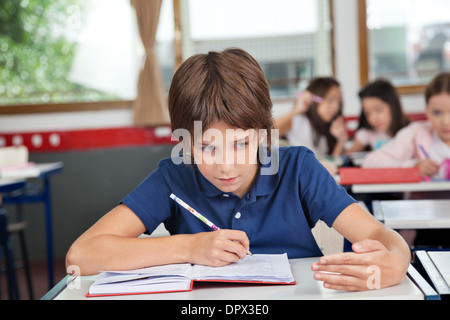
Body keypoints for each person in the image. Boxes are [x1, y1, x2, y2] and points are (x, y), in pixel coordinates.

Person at [66, 48, 410, 291]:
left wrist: (396, 261)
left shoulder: (298, 168)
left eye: (242, 144)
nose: (225, 165)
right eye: (206, 147)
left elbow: (381, 237)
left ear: (264, 133)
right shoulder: (174, 176)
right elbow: (81, 255)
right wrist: (190, 247)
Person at [362, 73, 450, 180]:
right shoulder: (415, 133)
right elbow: (369, 162)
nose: (446, 122)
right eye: (437, 112)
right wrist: (413, 166)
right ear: (427, 111)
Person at [275, 77, 348, 158]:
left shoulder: (325, 131)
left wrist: (341, 141)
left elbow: (330, 165)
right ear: (314, 99)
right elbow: (266, 132)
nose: (336, 107)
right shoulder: (298, 120)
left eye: (339, 102)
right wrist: (296, 110)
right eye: (330, 100)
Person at [346, 79, 410, 154]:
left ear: (393, 106)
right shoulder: (367, 133)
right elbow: (347, 155)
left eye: (378, 110)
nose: (373, 118)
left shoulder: (410, 131)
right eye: (367, 113)